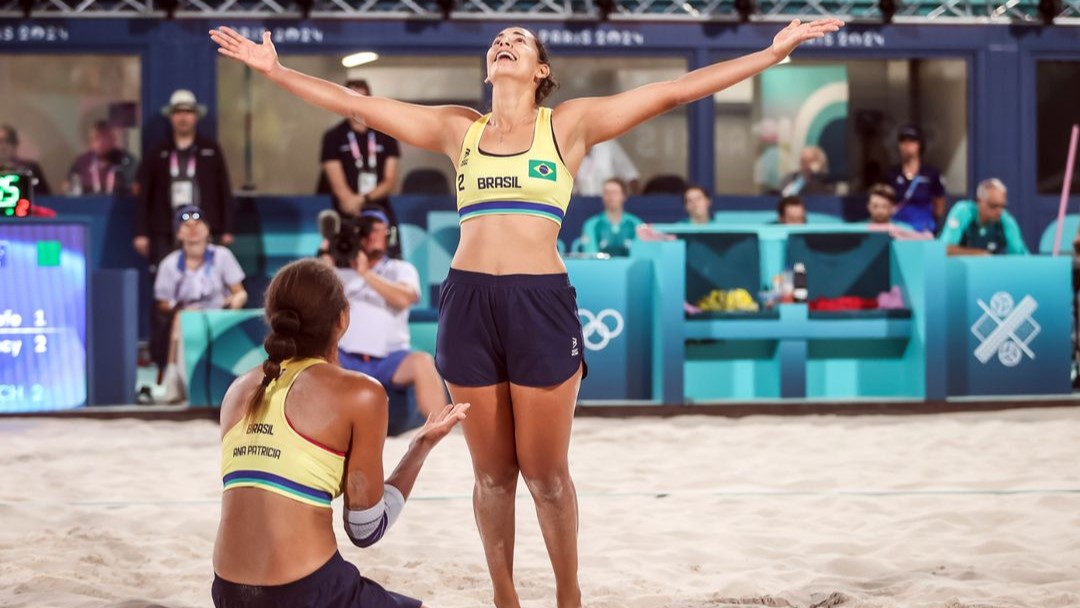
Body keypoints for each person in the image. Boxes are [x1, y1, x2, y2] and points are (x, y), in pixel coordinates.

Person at [212, 17, 842, 608]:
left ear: (542, 70)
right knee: (491, 475)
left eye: (520, 40)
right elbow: (357, 108)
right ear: (489, 68)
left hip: (539, 303)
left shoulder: (568, 125)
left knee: (546, 476)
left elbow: (674, 92)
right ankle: (505, 596)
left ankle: (568, 597)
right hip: (469, 303)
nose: (505, 43)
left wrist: (771, 52)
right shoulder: (460, 130)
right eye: (498, 40)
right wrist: (274, 71)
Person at [212, 258, 469, 608]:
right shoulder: (360, 393)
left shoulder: (238, 391)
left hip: (227, 592)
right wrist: (417, 450)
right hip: (307, 592)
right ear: (343, 318)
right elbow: (366, 530)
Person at [324, 209, 445, 429]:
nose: (374, 236)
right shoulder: (337, 274)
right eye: (369, 231)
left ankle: (440, 428)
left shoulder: (400, 269)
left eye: (380, 231)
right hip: (345, 357)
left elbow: (404, 298)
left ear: (389, 236)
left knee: (422, 362)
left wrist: (366, 274)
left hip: (391, 358)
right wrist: (326, 254)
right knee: (319, 359)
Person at [154, 205, 247, 403]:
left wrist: (234, 303)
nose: (193, 229)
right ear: (179, 233)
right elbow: (162, 302)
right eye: (186, 226)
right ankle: (175, 385)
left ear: (207, 229)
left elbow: (239, 292)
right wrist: (180, 309)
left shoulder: (222, 256)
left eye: (198, 224)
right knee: (180, 321)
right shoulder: (169, 264)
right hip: (186, 315)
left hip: (218, 313)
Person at [135, 89, 236, 267]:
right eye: (178, 112)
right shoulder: (158, 151)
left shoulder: (210, 150)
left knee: (206, 279)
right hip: (166, 230)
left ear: (196, 116)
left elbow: (224, 190)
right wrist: (141, 232)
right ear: (171, 116)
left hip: (204, 228)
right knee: (167, 278)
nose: (183, 118)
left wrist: (227, 229)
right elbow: (144, 195)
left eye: (188, 112)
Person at [316, 79, 403, 258]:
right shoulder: (333, 136)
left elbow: (390, 181)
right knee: (340, 262)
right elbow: (336, 181)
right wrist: (351, 203)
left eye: (362, 98)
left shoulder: (387, 133)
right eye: (352, 98)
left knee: (390, 260)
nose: (357, 103)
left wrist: (364, 199)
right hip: (346, 212)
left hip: (380, 212)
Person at [940, 178, 1029, 256]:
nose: (999, 211)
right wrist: (978, 254)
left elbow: (1020, 255)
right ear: (979, 201)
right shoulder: (963, 211)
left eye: (1002, 206)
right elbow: (945, 249)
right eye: (993, 206)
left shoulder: (1006, 220)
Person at [886, 124, 946, 234]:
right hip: (897, 229)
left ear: (920, 145)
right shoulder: (891, 174)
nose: (907, 145)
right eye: (903, 141)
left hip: (923, 230)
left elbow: (939, 207)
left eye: (912, 141)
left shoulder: (932, 174)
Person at [63, 120, 139, 196]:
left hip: (120, 206)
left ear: (113, 139)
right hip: (87, 207)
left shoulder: (127, 162)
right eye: (96, 138)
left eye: (105, 138)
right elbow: (67, 189)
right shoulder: (81, 163)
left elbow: (136, 191)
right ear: (91, 142)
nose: (101, 142)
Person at [578, 178, 642, 256]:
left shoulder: (636, 224)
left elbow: (640, 254)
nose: (610, 196)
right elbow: (590, 255)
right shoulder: (591, 224)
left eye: (614, 193)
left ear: (624, 196)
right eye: (606, 192)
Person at [573, 139, 640, 196]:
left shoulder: (608, 145)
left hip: (607, 203)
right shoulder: (572, 150)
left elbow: (630, 174)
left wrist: (638, 201)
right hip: (581, 204)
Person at [0, 124, 52, 196]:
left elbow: (45, 197)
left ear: (15, 144)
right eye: (0, 141)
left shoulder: (30, 168)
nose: (3, 146)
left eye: (8, 141)